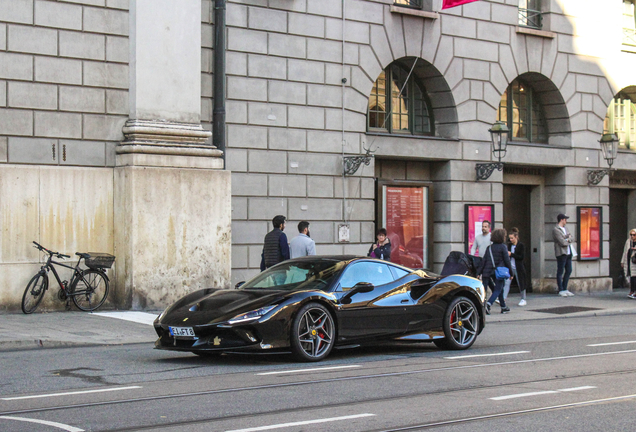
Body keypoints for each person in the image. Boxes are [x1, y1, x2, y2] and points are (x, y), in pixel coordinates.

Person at [477, 228, 512, 314]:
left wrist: (478, 273)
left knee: (499, 289)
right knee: (498, 289)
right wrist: (511, 273)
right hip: (498, 272)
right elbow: (507, 261)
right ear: (501, 237)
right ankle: (488, 304)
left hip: (487, 272)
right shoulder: (503, 247)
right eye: (504, 236)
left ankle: (503, 307)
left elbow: (484, 261)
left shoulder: (489, 248)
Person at [503, 228, 528, 306]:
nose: (510, 240)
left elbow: (521, 257)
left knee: (520, 282)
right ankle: (503, 298)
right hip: (510, 266)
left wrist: (512, 254)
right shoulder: (509, 245)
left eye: (512, 238)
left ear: (516, 237)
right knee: (507, 282)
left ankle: (523, 298)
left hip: (518, 267)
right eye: (510, 238)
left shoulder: (521, 245)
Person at [552, 213, 575, 297]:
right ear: (561, 220)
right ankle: (561, 289)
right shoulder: (556, 229)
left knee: (569, 270)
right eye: (565, 219)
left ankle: (565, 288)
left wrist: (567, 238)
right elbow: (562, 242)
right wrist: (568, 239)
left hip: (569, 252)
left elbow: (572, 237)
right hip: (561, 253)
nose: (566, 221)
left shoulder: (566, 228)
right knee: (560, 271)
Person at [470, 220, 495, 296]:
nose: (483, 228)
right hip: (481, 260)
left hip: (489, 261)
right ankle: (494, 293)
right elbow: (473, 248)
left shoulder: (491, 237)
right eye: (482, 226)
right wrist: (472, 256)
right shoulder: (478, 237)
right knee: (486, 278)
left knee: (487, 277)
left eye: (485, 227)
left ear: (489, 228)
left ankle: (495, 293)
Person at [622, 228, 636, 298]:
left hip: (635, 261)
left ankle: (633, 291)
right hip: (630, 261)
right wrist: (622, 261)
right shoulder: (628, 242)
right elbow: (625, 252)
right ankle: (632, 291)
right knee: (631, 276)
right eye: (631, 235)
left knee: (634, 277)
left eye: (634, 235)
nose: (632, 236)